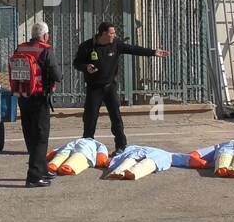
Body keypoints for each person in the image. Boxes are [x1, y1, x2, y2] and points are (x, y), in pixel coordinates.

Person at [72, 22, 168, 153]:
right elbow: (76, 63)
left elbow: (133, 49)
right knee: (90, 117)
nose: (114, 35)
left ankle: (121, 146)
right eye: (112, 33)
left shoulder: (116, 44)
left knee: (116, 117)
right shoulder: (87, 46)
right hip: (94, 88)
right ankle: (87, 148)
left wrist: (153, 52)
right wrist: (86, 67)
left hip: (110, 86)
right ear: (103, 34)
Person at [11, 21, 63, 188]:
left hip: (23, 94)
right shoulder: (45, 49)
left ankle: (42, 168)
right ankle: (34, 176)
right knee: (41, 136)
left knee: (29, 133)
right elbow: (57, 75)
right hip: (39, 97)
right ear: (45, 35)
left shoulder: (20, 48)